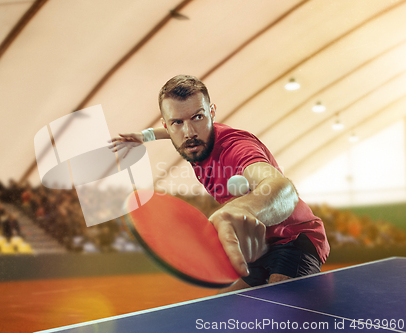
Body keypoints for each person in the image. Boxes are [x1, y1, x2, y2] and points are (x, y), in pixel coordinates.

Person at [109, 75, 330, 291]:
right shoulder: (191, 140)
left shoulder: (236, 148)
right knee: (227, 307)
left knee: (280, 315)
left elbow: (282, 189)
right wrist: (145, 136)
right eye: (177, 122)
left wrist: (239, 208)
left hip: (293, 238)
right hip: (257, 246)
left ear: (211, 113)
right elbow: (177, 128)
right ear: (167, 125)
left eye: (198, 117)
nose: (189, 133)